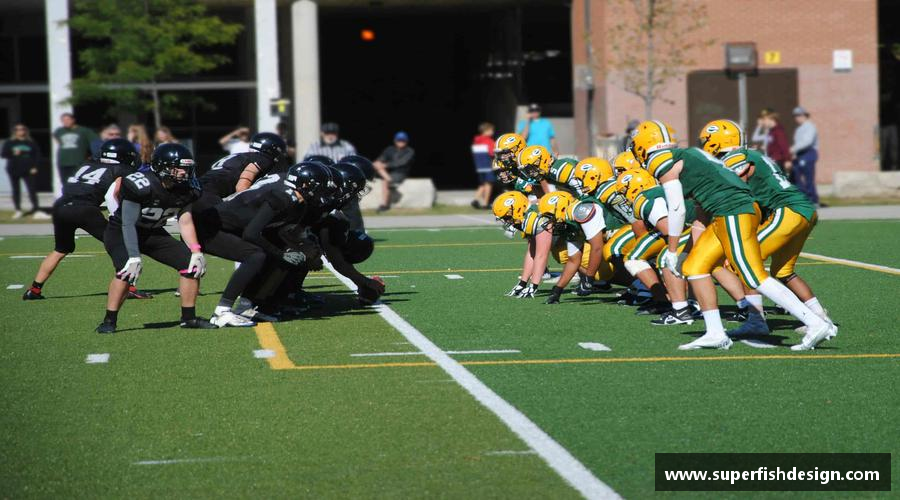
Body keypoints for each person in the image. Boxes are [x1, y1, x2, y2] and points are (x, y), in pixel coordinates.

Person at [631, 119, 836, 351]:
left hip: (733, 211)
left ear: (642, 145)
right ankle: (715, 333)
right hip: (723, 213)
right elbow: (701, 211)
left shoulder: (661, 159)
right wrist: (684, 250)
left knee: (753, 275)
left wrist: (671, 248)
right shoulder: (688, 156)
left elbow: (676, 208)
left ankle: (815, 322)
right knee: (695, 267)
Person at [701, 119, 832, 339]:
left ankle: (756, 321)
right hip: (803, 210)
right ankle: (820, 317)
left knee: (744, 262)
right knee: (782, 271)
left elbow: (736, 189)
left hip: (787, 211)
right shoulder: (753, 154)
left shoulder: (735, 158)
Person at [95, 143, 214, 333]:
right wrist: (134, 256)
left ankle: (188, 318)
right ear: (161, 166)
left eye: (186, 168)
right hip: (122, 231)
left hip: (153, 232)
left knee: (191, 265)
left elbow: (185, 221)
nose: (183, 173)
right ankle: (109, 321)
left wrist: (196, 250)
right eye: (179, 168)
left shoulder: (188, 189)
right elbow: (128, 223)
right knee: (127, 271)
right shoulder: (140, 184)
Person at [22, 139, 145, 300]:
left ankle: (34, 290)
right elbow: (112, 195)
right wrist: (117, 217)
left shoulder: (86, 165)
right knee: (118, 244)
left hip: (61, 207)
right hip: (84, 209)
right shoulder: (120, 169)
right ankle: (128, 288)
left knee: (60, 249)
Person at [1, 123, 45, 219]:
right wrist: (13, 153)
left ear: (25, 131)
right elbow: (4, 154)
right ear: (15, 132)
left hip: (29, 170)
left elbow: (37, 155)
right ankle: (18, 210)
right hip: (13, 169)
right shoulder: (10, 142)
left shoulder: (31, 142)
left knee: (32, 190)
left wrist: (35, 167)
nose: (21, 131)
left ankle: (36, 209)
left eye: (22, 129)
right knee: (16, 190)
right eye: (18, 129)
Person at [373, 131, 415, 212]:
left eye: (403, 140)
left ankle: (384, 205)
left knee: (385, 181)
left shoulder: (409, 151)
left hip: (400, 173)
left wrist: (385, 165)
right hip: (387, 173)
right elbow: (382, 158)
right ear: (395, 140)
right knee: (376, 163)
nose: (401, 142)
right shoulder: (390, 149)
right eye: (399, 140)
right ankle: (389, 180)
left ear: (406, 141)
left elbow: (401, 162)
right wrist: (379, 162)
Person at [52, 113, 98, 183]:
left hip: (78, 162)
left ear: (73, 120)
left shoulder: (84, 131)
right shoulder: (59, 131)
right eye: (63, 120)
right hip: (63, 162)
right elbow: (57, 140)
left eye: (68, 120)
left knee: (77, 182)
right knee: (65, 182)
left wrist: (92, 156)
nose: (66, 122)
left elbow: (95, 142)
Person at [790, 106, 820, 205]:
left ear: (805, 115)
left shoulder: (810, 126)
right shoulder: (799, 129)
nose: (797, 118)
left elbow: (807, 141)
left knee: (808, 178)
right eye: (796, 116)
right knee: (796, 175)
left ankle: (812, 199)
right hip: (799, 154)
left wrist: (793, 149)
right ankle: (803, 197)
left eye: (799, 115)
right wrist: (794, 152)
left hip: (808, 153)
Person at [471, 122, 495, 208]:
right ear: (486, 131)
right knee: (489, 184)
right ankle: (485, 203)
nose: (493, 132)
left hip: (480, 166)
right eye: (492, 130)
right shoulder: (489, 141)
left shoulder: (477, 140)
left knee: (482, 184)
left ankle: (476, 199)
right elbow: (492, 153)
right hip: (488, 165)